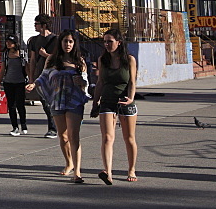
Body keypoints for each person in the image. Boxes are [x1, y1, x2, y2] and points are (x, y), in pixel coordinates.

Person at [28, 30, 90, 183]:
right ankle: (69, 162)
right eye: (65, 41)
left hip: (74, 100)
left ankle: (78, 172)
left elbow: (86, 82)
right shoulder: (52, 60)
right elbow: (44, 76)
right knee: (63, 135)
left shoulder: (79, 61)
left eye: (70, 41)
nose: (67, 44)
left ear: (74, 43)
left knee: (73, 135)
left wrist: (82, 83)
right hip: (57, 100)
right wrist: (34, 84)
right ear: (60, 43)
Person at [91, 28, 139, 184]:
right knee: (107, 138)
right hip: (107, 100)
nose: (107, 44)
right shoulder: (102, 60)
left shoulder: (129, 60)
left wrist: (131, 98)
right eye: (105, 41)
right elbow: (100, 83)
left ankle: (131, 169)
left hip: (124, 100)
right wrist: (95, 102)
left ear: (119, 42)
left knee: (129, 138)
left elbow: (132, 82)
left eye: (110, 41)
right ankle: (108, 172)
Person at [26, 14, 59, 138]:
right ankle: (53, 127)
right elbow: (33, 59)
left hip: (53, 74)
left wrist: (45, 55)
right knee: (45, 102)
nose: (35, 26)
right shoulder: (34, 40)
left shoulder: (56, 40)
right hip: (40, 75)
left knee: (53, 101)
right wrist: (31, 77)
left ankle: (54, 128)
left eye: (37, 24)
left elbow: (58, 59)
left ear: (44, 25)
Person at [0, 35, 28, 136]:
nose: (7, 44)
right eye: (6, 42)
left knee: (20, 105)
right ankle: (15, 127)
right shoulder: (5, 54)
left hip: (20, 82)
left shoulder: (22, 54)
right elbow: (2, 69)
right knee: (11, 106)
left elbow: (26, 68)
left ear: (15, 43)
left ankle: (23, 124)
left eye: (9, 42)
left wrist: (29, 81)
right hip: (8, 82)